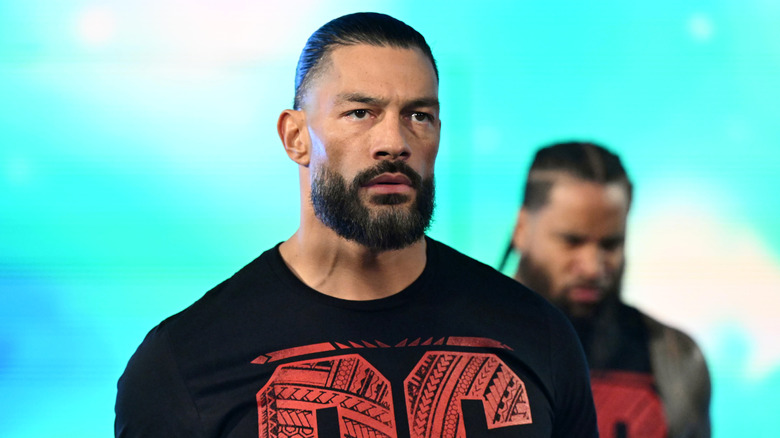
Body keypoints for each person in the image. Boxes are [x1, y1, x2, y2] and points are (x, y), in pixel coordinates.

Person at [115, 13, 597, 438]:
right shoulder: (184, 362)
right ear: (296, 136)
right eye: (360, 113)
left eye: (419, 116)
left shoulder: (536, 334)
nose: (394, 141)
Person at [500, 141, 711, 438]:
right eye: (572, 241)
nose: (593, 267)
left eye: (610, 244)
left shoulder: (676, 359)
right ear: (521, 229)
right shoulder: (458, 342)